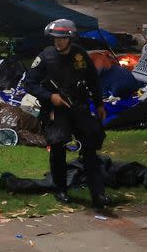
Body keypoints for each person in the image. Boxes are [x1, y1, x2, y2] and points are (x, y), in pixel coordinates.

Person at [24, 20, 110, 210]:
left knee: (89, 148)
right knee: (58, 148)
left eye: (62, 38)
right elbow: (29, 83)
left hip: (79, 107)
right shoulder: (45, 57)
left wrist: (99, 103)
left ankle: (98, 194)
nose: (58, 42)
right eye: (55, 38)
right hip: (56, 110)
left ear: (70, 38)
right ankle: (60, 188)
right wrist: (50, 96)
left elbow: (92, 80)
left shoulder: (80, 55)